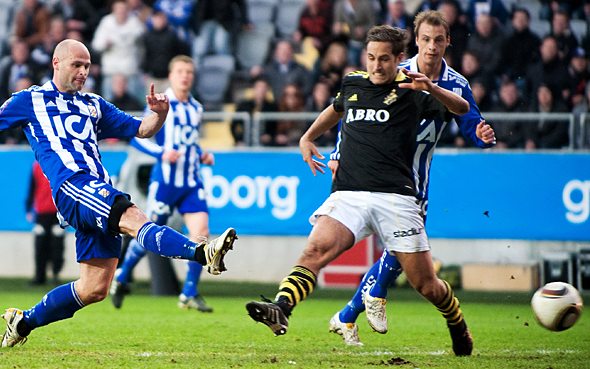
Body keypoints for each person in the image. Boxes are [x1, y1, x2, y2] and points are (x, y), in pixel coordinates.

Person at [0, 39, 237, 348]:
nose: (83, 72)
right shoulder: (29, 100)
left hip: (93, 191)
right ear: (56, 63)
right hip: (72, 187)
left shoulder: (93, 104)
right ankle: (202, 253)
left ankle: (23, 321)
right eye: (76, 65)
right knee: (133, 216)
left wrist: (160, 114)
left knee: (94, 288)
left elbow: (142, 129)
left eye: (87, 66)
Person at [246, 25, 479, 357]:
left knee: (426, 285)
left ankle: (455, 321)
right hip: (350, 193)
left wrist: (431, 88)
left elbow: (460, 109)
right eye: (371, 58)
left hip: (396, 198)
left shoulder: (412, 90)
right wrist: (308, 136)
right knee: (314, 252)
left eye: (384, 59)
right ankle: (281, 307)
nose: (376, 66)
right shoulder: (354, 82)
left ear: (400, 58)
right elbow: (337, 108)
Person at [327, 10, 496, 347]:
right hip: (377, 167)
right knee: (402, 247)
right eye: (425, 39)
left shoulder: (457, 84)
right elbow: (356, 111)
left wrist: (481, 133)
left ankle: (349, 313)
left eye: (438, 40)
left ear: (448, 41)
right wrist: (337, 153)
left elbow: (469, 121)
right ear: (415, 41)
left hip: (414, 175)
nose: (431, 47)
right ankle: (368, 299)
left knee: (403, 248)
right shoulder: (394, 71)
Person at [110, 55, 219, 312]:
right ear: (171, 76)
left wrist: (201, 154)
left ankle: (189, 292)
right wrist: (161, 153)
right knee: (149, 231)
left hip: (191, 181)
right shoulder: (161, 103)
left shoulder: (196, 108)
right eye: (181, 71)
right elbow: (137, 137)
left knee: (201, 232)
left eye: (190, 72)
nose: (186, 76)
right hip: (166, 181)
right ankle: (123, 275)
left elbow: (189, 141)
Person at [26, 160, 65, 286]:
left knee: (57, 247)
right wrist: (28, 207)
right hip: (41, 213)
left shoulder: (62, 164)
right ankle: (39, 276)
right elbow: (32, 187)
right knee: (40, 247)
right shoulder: (37, 166)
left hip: (57, 213)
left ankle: (55, 275)